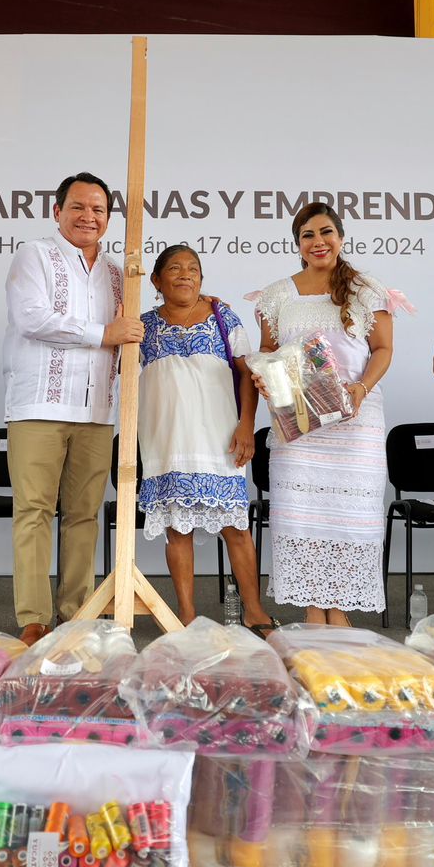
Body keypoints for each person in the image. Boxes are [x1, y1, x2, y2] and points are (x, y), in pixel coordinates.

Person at [2, 172, 141, 646]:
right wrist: (104, 334)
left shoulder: (118, 273)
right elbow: (32, 318)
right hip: (39, 404)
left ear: (108, 218)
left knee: (84, 514)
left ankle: (77, 614)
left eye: (98, 209)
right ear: (57, 211)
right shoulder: (34, 255)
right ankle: (33, 618)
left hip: (97, 410)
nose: (88, 217)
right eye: (78, 207)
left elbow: (130, 334)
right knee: (34, 511)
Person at [252, 202, 399, 625]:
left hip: (357, 419)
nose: (318, 242)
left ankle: (341, 613)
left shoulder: (367, 289)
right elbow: (267, 350)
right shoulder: (277, 294)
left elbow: (383, 349)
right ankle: (315, 611)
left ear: (341, 237)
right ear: (297, 244)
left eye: (326, 232)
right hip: (300, 423)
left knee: (350, 517)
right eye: (308, 235)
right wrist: (264, 375)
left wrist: (361, 388)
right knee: (303, 515)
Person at [139, 244, 275, 631]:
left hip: (220, 438)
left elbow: (247, 372)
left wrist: (246, 424)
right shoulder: (143, 326)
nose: (185, 274)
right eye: (175, 268)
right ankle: (185, 616)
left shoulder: (223, 317)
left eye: (193, 269)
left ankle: (254, 611)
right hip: (166, 441)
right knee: (177, 529)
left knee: (236, 528)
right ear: (156, 280)